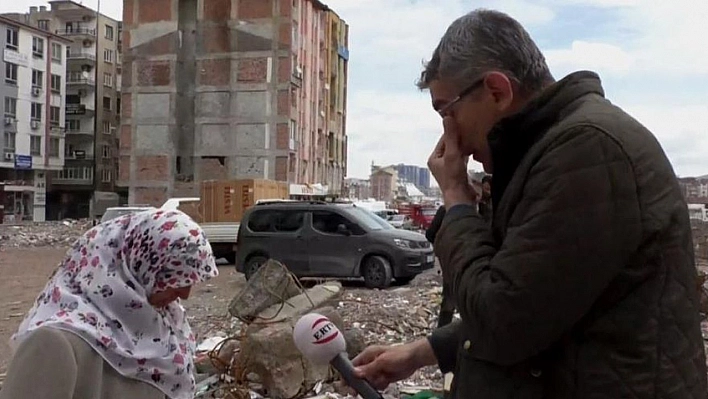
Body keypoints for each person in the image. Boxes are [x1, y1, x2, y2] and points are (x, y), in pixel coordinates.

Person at [353, 9, 707, 398]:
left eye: (447, 111)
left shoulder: (585, 151)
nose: (448, 133)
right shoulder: (553, 151)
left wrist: (456, 201)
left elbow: (502, 322)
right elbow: (540, 301)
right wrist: (421, 353)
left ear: (497, 92)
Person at [0, 209, 219, 399]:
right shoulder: (56, 343)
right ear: (136, 267)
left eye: (188, 280)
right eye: (173, 278)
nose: (185, 293)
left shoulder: (166, 330)